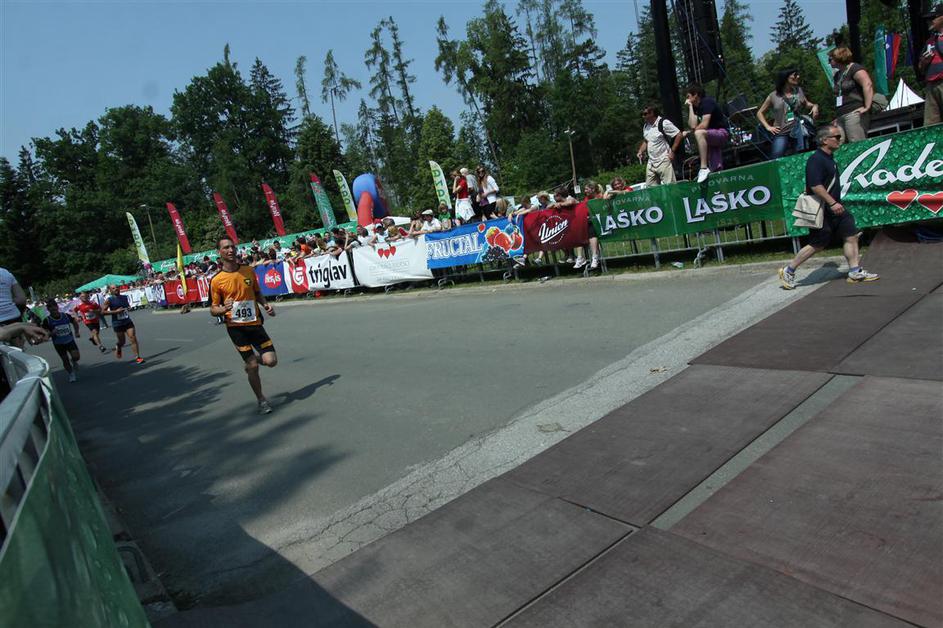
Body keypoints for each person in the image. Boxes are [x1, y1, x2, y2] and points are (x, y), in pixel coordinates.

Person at [779, 125, 879, 289]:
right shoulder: (816, 159)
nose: (840, 139)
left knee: (851, 235)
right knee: (818, 244)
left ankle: (855, 271)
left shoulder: (829, 158)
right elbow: (815, 185)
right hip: (825, 208)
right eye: (837, 137)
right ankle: (788, 270)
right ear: (825, 140)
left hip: (835, 208)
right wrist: (832, 203)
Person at [210, 237, 278, 414]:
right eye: (226, 248)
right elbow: (213, 309)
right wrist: (223, 308)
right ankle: (261, 400)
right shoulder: (217, 280)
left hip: (255, 324)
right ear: (219, 252)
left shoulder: (248, 270)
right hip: (236, 328)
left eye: (232, 247)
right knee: (253, 367)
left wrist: (266, 305)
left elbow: (257, 292)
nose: (230, 250)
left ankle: (250, 361)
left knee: (271, 361)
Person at [757, 69, 820, 159]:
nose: (798, 77)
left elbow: (806, 104)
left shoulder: (798, 91)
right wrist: (768, 127)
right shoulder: (773, 95)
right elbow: (760, 113)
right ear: (786, 78)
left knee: (802, 155)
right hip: (781, 132)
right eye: (795, 75)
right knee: (777, 156)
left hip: (798, 130)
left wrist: (815, 106)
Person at [681, 83, 730, 183]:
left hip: (721, 133)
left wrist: (691, 132)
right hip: (709, 136)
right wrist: (690, 107)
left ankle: (703, 168)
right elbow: (693, 125)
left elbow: (704, 125)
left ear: (695, 95)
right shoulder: (696, 108)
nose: (687, 99)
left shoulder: (707, 102)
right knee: (717, 169)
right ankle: (722, 189)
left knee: (699, 133)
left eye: (688, 96)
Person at [829, 47, 874, 143]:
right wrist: (837, 116)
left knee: (856, 142)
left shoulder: (855, 68)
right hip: (841, 114)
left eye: (830, 59)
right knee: (838, 144)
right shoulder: (837, 75)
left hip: (854, 111)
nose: (829, 62)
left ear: (838, 57)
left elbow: (867, 84)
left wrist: (867, 107)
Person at [637, 105, 683, 186]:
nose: (643, 116)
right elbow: (646, 141)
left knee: (670, 187)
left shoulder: (664, 123)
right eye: (642, 114)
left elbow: (679, 135)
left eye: (645, 114)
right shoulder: (646, 126)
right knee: (651, 189)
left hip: (663, 160)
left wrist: (672, 152)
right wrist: (640, 151)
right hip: (651, 162)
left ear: (652, 113)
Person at [102, 284, 145, 363]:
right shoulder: (109, 300)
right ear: (110, 291)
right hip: (117, 323)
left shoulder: (124, 297)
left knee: (133, 338)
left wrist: (128, 308)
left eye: (117, 287)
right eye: (113, 288)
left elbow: (127, 306)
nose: (116, 289)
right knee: (122, 342)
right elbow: (103, 312)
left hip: (127, 321)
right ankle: (118, 346)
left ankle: (137, 357)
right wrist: (116, 311)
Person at [41, 299, 82, 382]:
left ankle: (74, 361)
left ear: (57, 307)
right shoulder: (47, 320)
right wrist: (52, 333)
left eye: (55, 307)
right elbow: (45, 334)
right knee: (65, 359)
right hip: (58, 343)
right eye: (51, 308)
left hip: (69, 340)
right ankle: (71, 374)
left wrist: (76, 332)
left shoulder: (65, 316)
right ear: (48, 310)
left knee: (76, 357)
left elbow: (74, 322)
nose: (54, 309)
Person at [920, 3, 943, 126]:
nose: (929, 21)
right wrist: (924, 62)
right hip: (931, 86)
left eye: (933, 18)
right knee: (930, 125)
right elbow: (920, 68)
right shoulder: (929, 41)